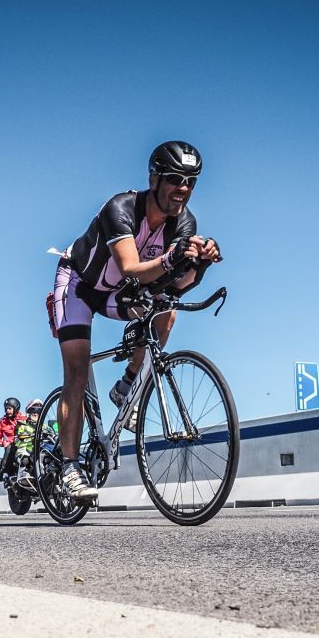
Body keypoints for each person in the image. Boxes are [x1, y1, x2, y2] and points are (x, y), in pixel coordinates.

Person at [47, 141, 222, 500]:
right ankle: (68, 465)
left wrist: (199, 263)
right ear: (154, 177)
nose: (183, 189)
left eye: (191, 181)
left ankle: (127, 385)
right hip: (80, 284)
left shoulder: (184, 222)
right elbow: (130, 267)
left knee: (166, 309)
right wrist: (173, 259)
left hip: (119, 292)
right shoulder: (121, 208)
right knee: (77, 371)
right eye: (175, 179)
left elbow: (175, 284)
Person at [12, 398, 44, 485]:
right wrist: (30, 436)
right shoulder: (23, 426)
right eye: (33, 412)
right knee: (25, 458)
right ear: (28, 413)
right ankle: (23, 474)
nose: (36, 414)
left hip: (42, 449)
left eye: (38, 412)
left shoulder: (45, 427)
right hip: (26, 451)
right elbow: (18, 439)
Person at [0, 397, 24, 480]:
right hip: (10, 448)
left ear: (15, 408)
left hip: (23, 445)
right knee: (10, 446)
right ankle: (5, 472)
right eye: (6, 409)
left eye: (9, 408)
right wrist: (3, 443)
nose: (7, 411)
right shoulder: (2, 421)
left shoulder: (24, 419)